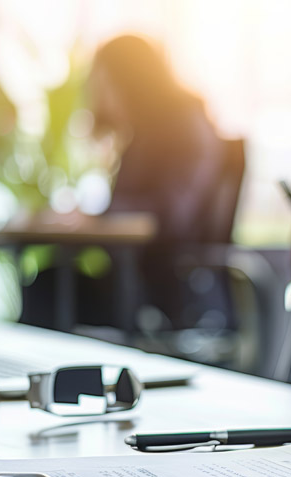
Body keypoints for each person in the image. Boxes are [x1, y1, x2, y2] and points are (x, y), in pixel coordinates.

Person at [22, 35, 228, 332]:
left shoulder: (185, 126)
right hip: (134, 277)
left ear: (126, 79)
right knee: (49, 281)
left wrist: (95, 219)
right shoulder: (144, 135)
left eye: (101, 82)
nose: (97, 94)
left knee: (50, 288)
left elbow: (171, 213)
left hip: (166, 289)